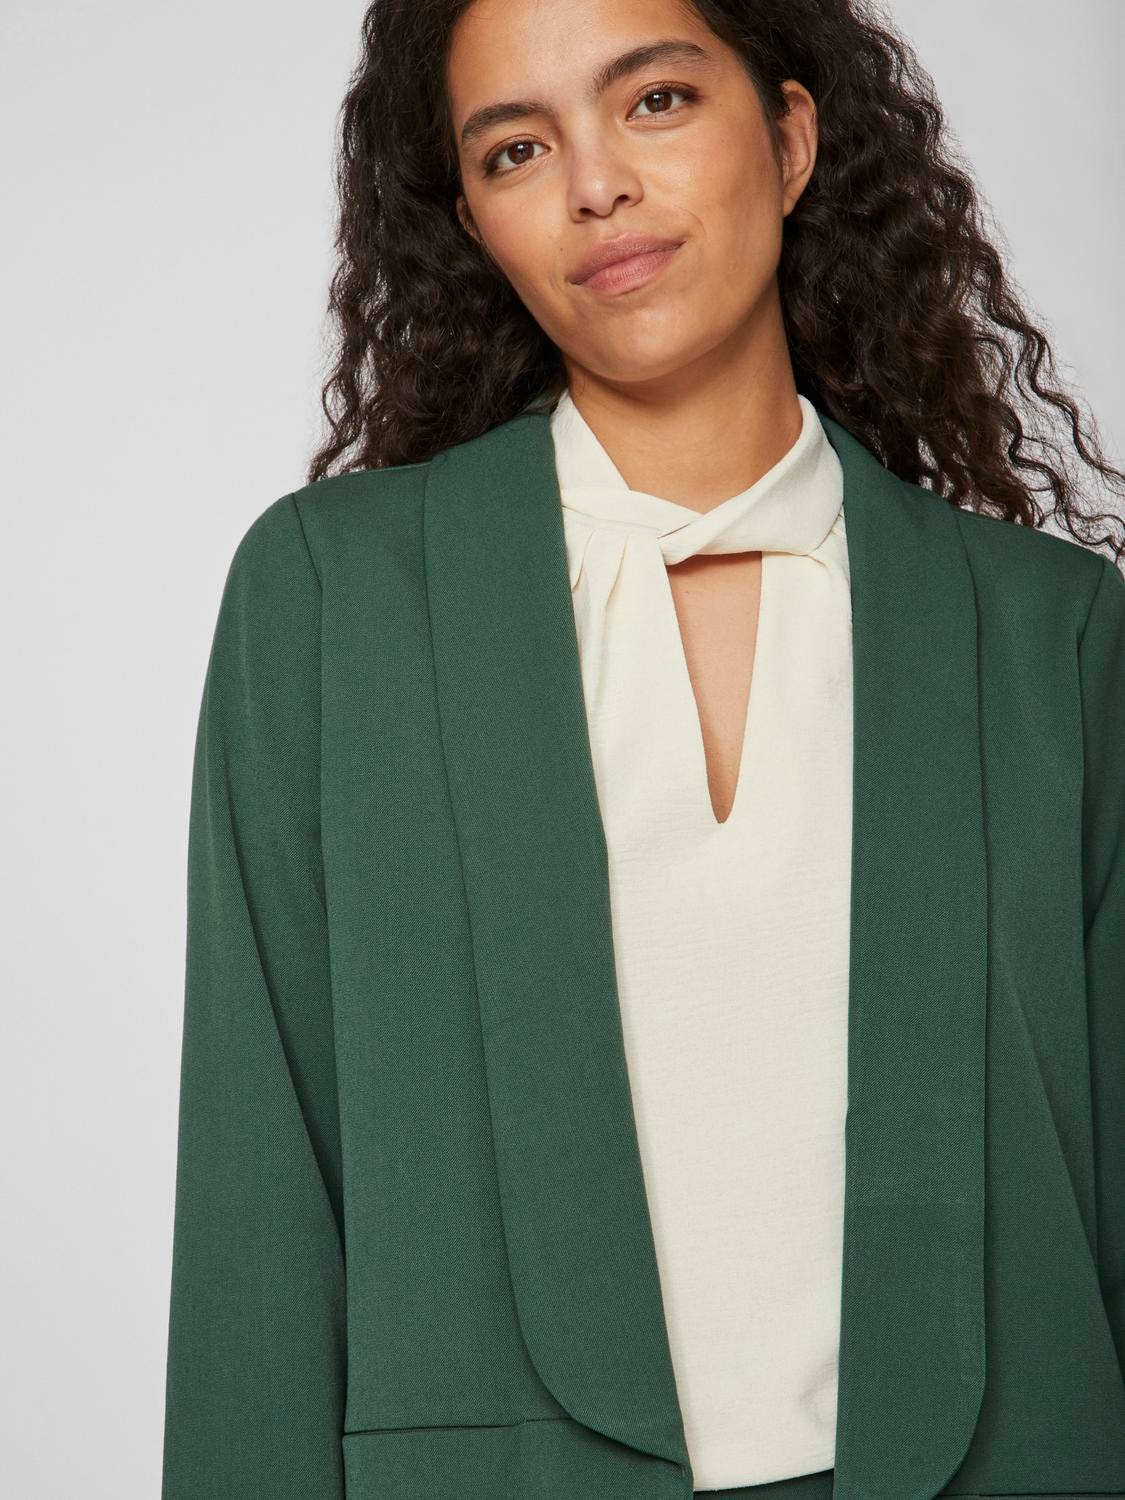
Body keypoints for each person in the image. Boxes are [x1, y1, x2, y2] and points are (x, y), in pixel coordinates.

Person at [160, 1, 1125, 1496]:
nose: (595, 184)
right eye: (515, 149)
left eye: (655, 99)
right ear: (474, 222)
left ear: (790, 140)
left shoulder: (1049, 633)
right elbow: (258, 1199)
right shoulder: (334, 601)